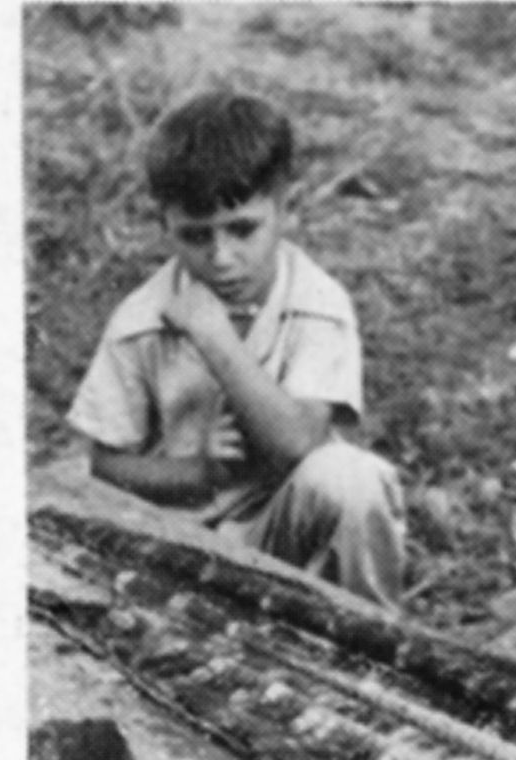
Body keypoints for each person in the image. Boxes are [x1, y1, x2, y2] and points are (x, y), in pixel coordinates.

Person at [67, 90, 407, 611]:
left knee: (353, 477)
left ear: (283, 207)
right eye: (195, 236)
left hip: (286, 539)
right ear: (165, 225)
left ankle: (376, 638)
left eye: (243, 229)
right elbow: (106, 465)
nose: (222, 258)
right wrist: (201, 473)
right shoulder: (141, 321)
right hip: (179, 551)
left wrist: (215, 337)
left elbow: (299, 443)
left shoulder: (316, 304)